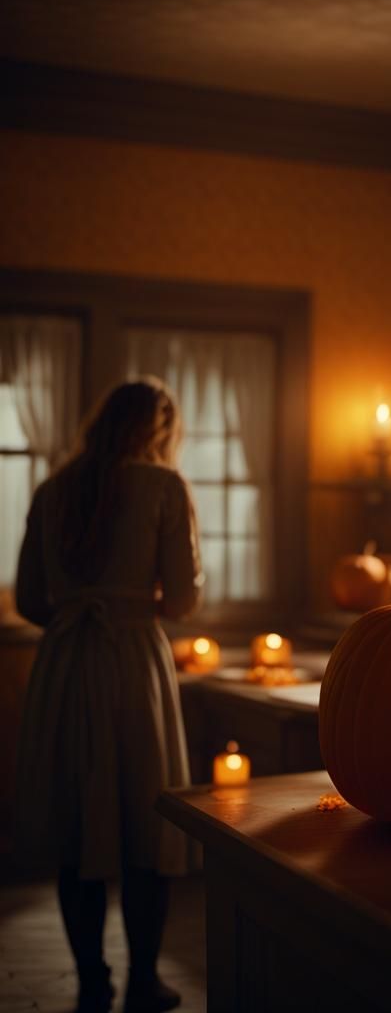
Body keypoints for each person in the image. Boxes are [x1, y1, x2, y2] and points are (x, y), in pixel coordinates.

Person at [14, 377, 202, 1013]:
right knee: (146, 818)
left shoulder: (51, 490)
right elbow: (180, 599)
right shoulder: (164, 488)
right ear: (157, 430)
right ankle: (145, 979)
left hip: (66, 664)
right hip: (132, 665)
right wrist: (133, 599)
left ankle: (92, 978)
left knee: (78, 821)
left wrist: (79, 609)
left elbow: (33, 599)